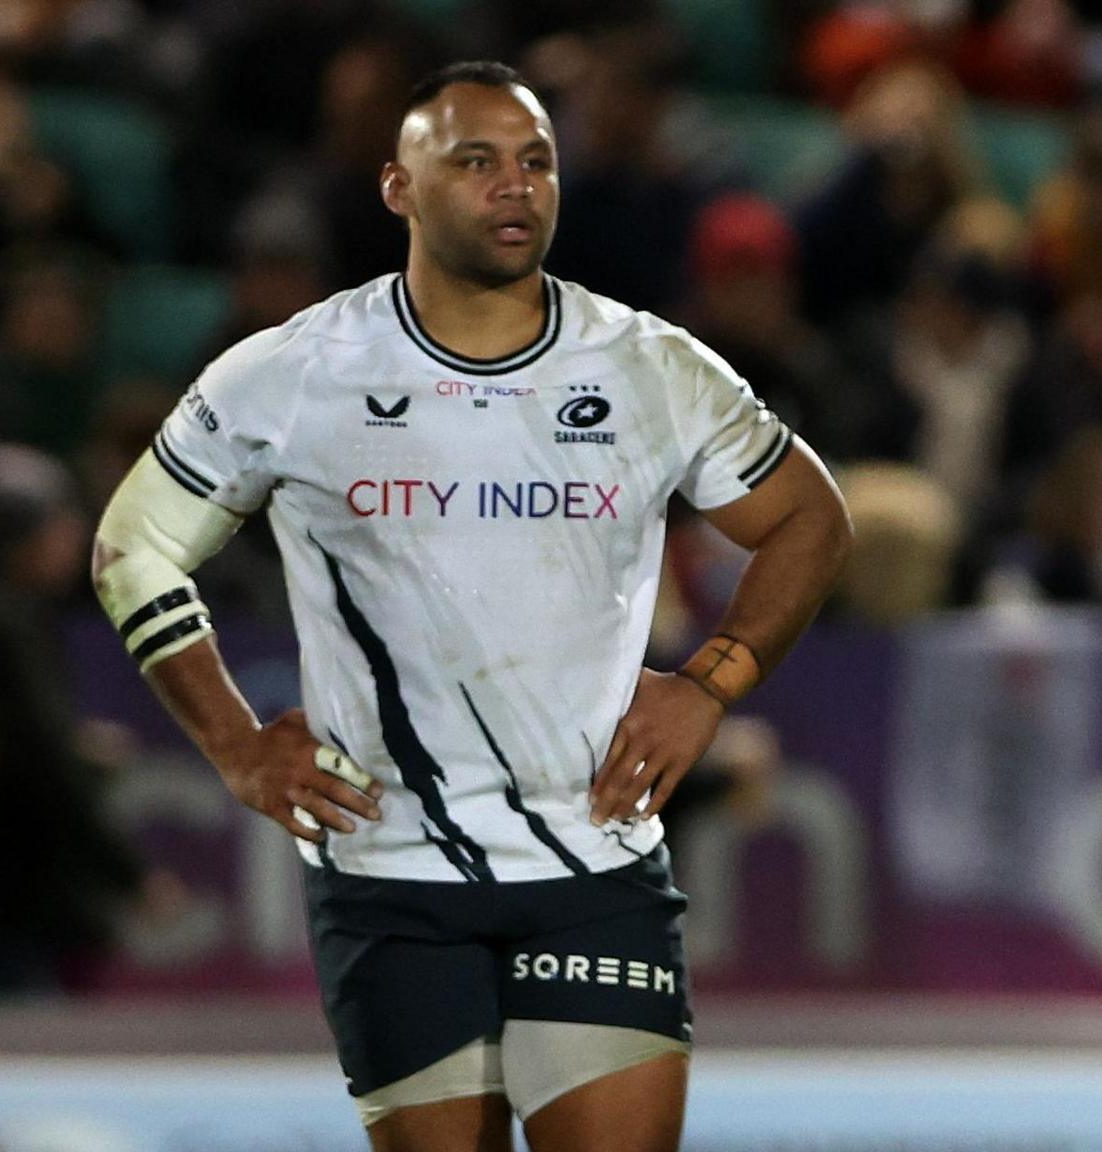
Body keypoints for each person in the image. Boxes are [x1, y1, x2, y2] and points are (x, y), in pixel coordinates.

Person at [88, 61, 852, 1152]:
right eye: (476, 161)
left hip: (595, 868)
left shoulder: (645, 364)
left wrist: (708, 683)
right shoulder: (296, 371)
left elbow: (810, 518)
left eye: (535, 161)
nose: (515, 185)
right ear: (399, 186)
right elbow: (134, 548)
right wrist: (235, 748)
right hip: (388, 876)